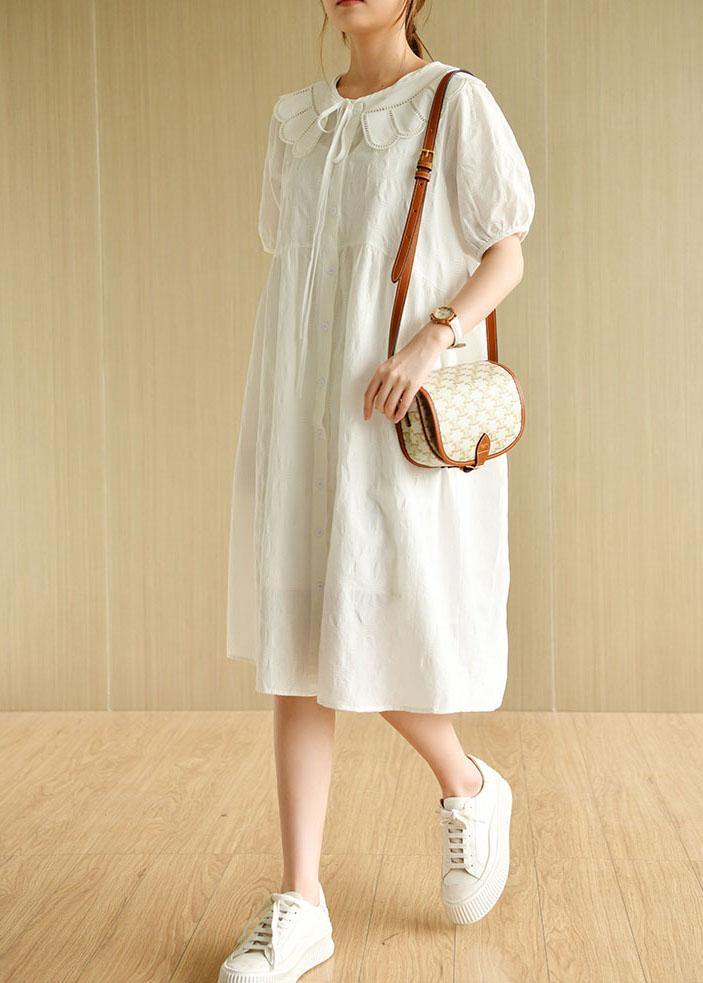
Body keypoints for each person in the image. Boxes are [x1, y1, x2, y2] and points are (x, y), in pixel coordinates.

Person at [221, 0, 535, 978]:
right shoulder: (294, 120)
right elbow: (299, 273)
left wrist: (433, 338)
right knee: (296, 640)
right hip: (302, 402)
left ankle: (468, 783)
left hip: (392, 408)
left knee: (385, 623)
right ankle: (300, 900)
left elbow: (506, 249)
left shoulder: (452, 102)